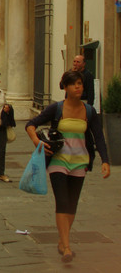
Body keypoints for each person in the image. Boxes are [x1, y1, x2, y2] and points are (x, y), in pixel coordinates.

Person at [25, 70, 110, 263]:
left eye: (80, 84)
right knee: (62, 201)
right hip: (58, 161)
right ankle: (67, 246)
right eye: (74, 84)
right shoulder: (56, 109)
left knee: (72, 204)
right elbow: (31, 124)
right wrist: (35, 140)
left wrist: (105, 160)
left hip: (80, 162)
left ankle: (62, 240)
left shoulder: (89, 112)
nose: (78, 87)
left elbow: (99, 137)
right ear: (65, 87)